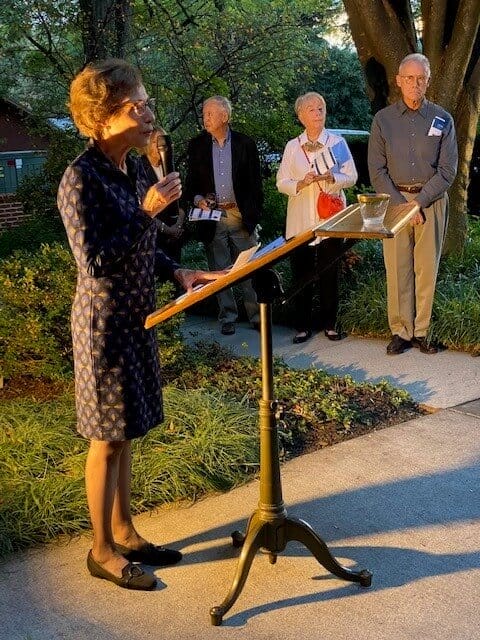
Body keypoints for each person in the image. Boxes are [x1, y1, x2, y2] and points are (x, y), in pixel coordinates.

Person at [57, 59, 222, 591]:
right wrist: (146, 211)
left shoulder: (136, 168)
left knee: (126, 433)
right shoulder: (81, 178)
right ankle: (100, 550)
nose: (149, 112)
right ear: (102, 117)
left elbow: (146, 247)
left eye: (147, 102)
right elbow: (96, 262)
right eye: (138, 105)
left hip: (139, 316)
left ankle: (125, 531)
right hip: (104, 324)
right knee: (106, 439)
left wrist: (178, 271)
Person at [368, 53, 458, 355]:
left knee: (426, 267)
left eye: (421, 78)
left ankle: (422, 331)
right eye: (409, 78)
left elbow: (447, 170)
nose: (415, 84)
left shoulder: (443, 119)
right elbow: (377, 170)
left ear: (428, 81)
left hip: (430, 200)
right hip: (394, 201)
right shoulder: (382, 120)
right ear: (398, 80)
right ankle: (400, 331)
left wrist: (418, 203)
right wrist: (403, 205)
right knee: (397, 267)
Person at [276, 92, 358, 344]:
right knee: (301, 273)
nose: (317, 113)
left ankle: (330, 324)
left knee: (329, 271)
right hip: (300, 219)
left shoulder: (337, 142)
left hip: (330, 218)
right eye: (311, 109)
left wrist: (332, 179)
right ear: (301, 116)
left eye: (321, 108)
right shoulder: (292, 146)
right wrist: (300, 183)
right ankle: (302, 326)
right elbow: (281, 182)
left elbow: (352, 176)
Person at [185, 95, 262, 336]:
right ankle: (227, 316)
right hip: (213, 216)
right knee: (217, 269)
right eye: (204, 113)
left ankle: (257, 315)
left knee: (248, 267)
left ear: (224, 117)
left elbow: (256, 184)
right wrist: (199, 200)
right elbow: (191, 184)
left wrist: (254, 214)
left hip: (239, 213)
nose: (205, 118)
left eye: (209, 113)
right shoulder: (197, 145)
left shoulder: (245, 144)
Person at [140, 128, 186, 265]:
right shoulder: (138, 169)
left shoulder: (171, 166)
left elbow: (181, 200)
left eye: (163, 141)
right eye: (155, 141)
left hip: (175, 238)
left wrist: (178, 225)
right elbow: (142, 208)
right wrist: (167, 229)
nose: (160, 146)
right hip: (154, 240)